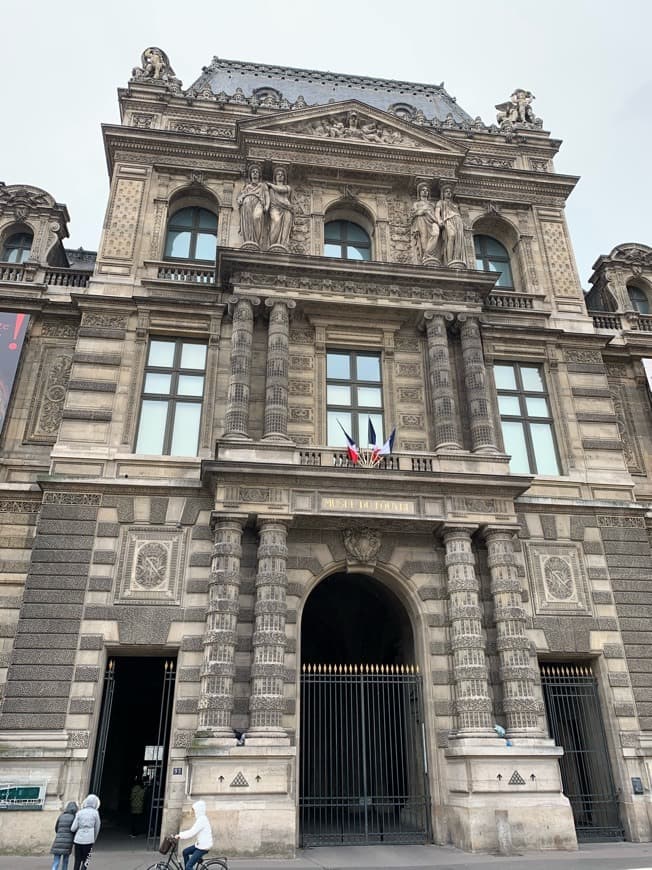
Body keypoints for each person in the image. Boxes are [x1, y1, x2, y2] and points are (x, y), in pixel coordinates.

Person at [175, 800, 213, 870]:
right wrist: (180, 835)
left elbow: (191, 832)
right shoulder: (200, 819)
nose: (192, 812)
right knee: (185, 852)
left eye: (194, 810)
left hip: (203, 847)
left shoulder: (202, 820)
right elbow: (192, 831)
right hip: (200, 844)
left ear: (198, 810)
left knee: (188, 866)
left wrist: (180, 835)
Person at [237, 165, 269, 248]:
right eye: (253, 172)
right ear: (250, 175)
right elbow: (241, 196)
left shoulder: (263, 186)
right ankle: (249, 240)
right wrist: (240, 199)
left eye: (257, 172)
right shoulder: (247, 187)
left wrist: (267, 206)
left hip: (258, 203)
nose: (255, 173)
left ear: (259, 175)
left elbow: (267, 196)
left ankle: (256, 241)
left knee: (257, 217)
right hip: (247, 205)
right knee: (248, 222)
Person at [434, 186, 465, 265]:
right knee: (451, 236)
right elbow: (437, 212)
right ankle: (449, 259)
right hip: (448, 220)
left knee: (458, 240)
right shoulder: (440, 202)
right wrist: (439, 220)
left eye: (450, 192)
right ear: (443, 194)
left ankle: (456, 257)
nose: (448, 193)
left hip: (458, 221)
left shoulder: (455, 204)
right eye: (446, 191)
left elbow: (458, 214)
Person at [410, 184, 439, 263]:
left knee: (435, 233)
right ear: (419, 192)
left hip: (431, 220)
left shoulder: (432, 204)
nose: (425, 191)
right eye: (423, 190)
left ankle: (428, 252)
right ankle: (426, 256)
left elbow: (434, 215)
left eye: (426, 190)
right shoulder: (416, 204)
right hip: (421, 220)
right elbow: (414, 213)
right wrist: (424, 211)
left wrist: (435, 219)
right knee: (424, 236)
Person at [71, 794, 101, 870]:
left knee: (77, 860)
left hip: (78, 840)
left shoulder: (79, 812)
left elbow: (73, 828)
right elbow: (97, 827)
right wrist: (94, 839)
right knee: (86, 860)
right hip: (89, 840)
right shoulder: (95, 813)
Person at [268, 168, 294, 249]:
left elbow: (281, 189)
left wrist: (271, 185)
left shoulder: (287, 187)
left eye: (282, 175)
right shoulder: (271, 190)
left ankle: (283, 246)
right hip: (275, 209)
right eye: (278, 174)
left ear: (284, 178)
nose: (280, 176)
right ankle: (273, 245)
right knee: (275, 224)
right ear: (275, 177)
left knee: (285, 230)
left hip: (286, 210)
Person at [50, 801, 78, 870]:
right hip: (68, 843)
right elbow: (74, 829)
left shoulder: (61, 816)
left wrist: (59, 834)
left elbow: (56, 828)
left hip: (58, 840)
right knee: (65, 860)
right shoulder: (74, 817)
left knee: (56, 861)